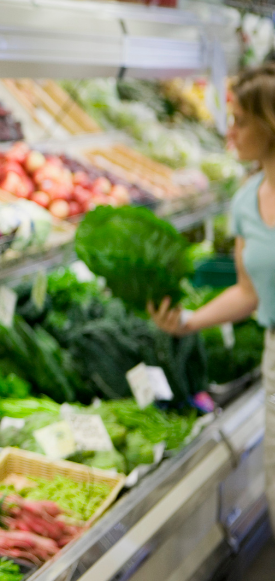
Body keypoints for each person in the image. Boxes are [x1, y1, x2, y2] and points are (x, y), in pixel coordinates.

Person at [149, 63, 275, 521]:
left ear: (270, 123)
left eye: (240, 121)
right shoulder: (246, 200)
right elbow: (248, 291)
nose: (232, 133)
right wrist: (186, 322)